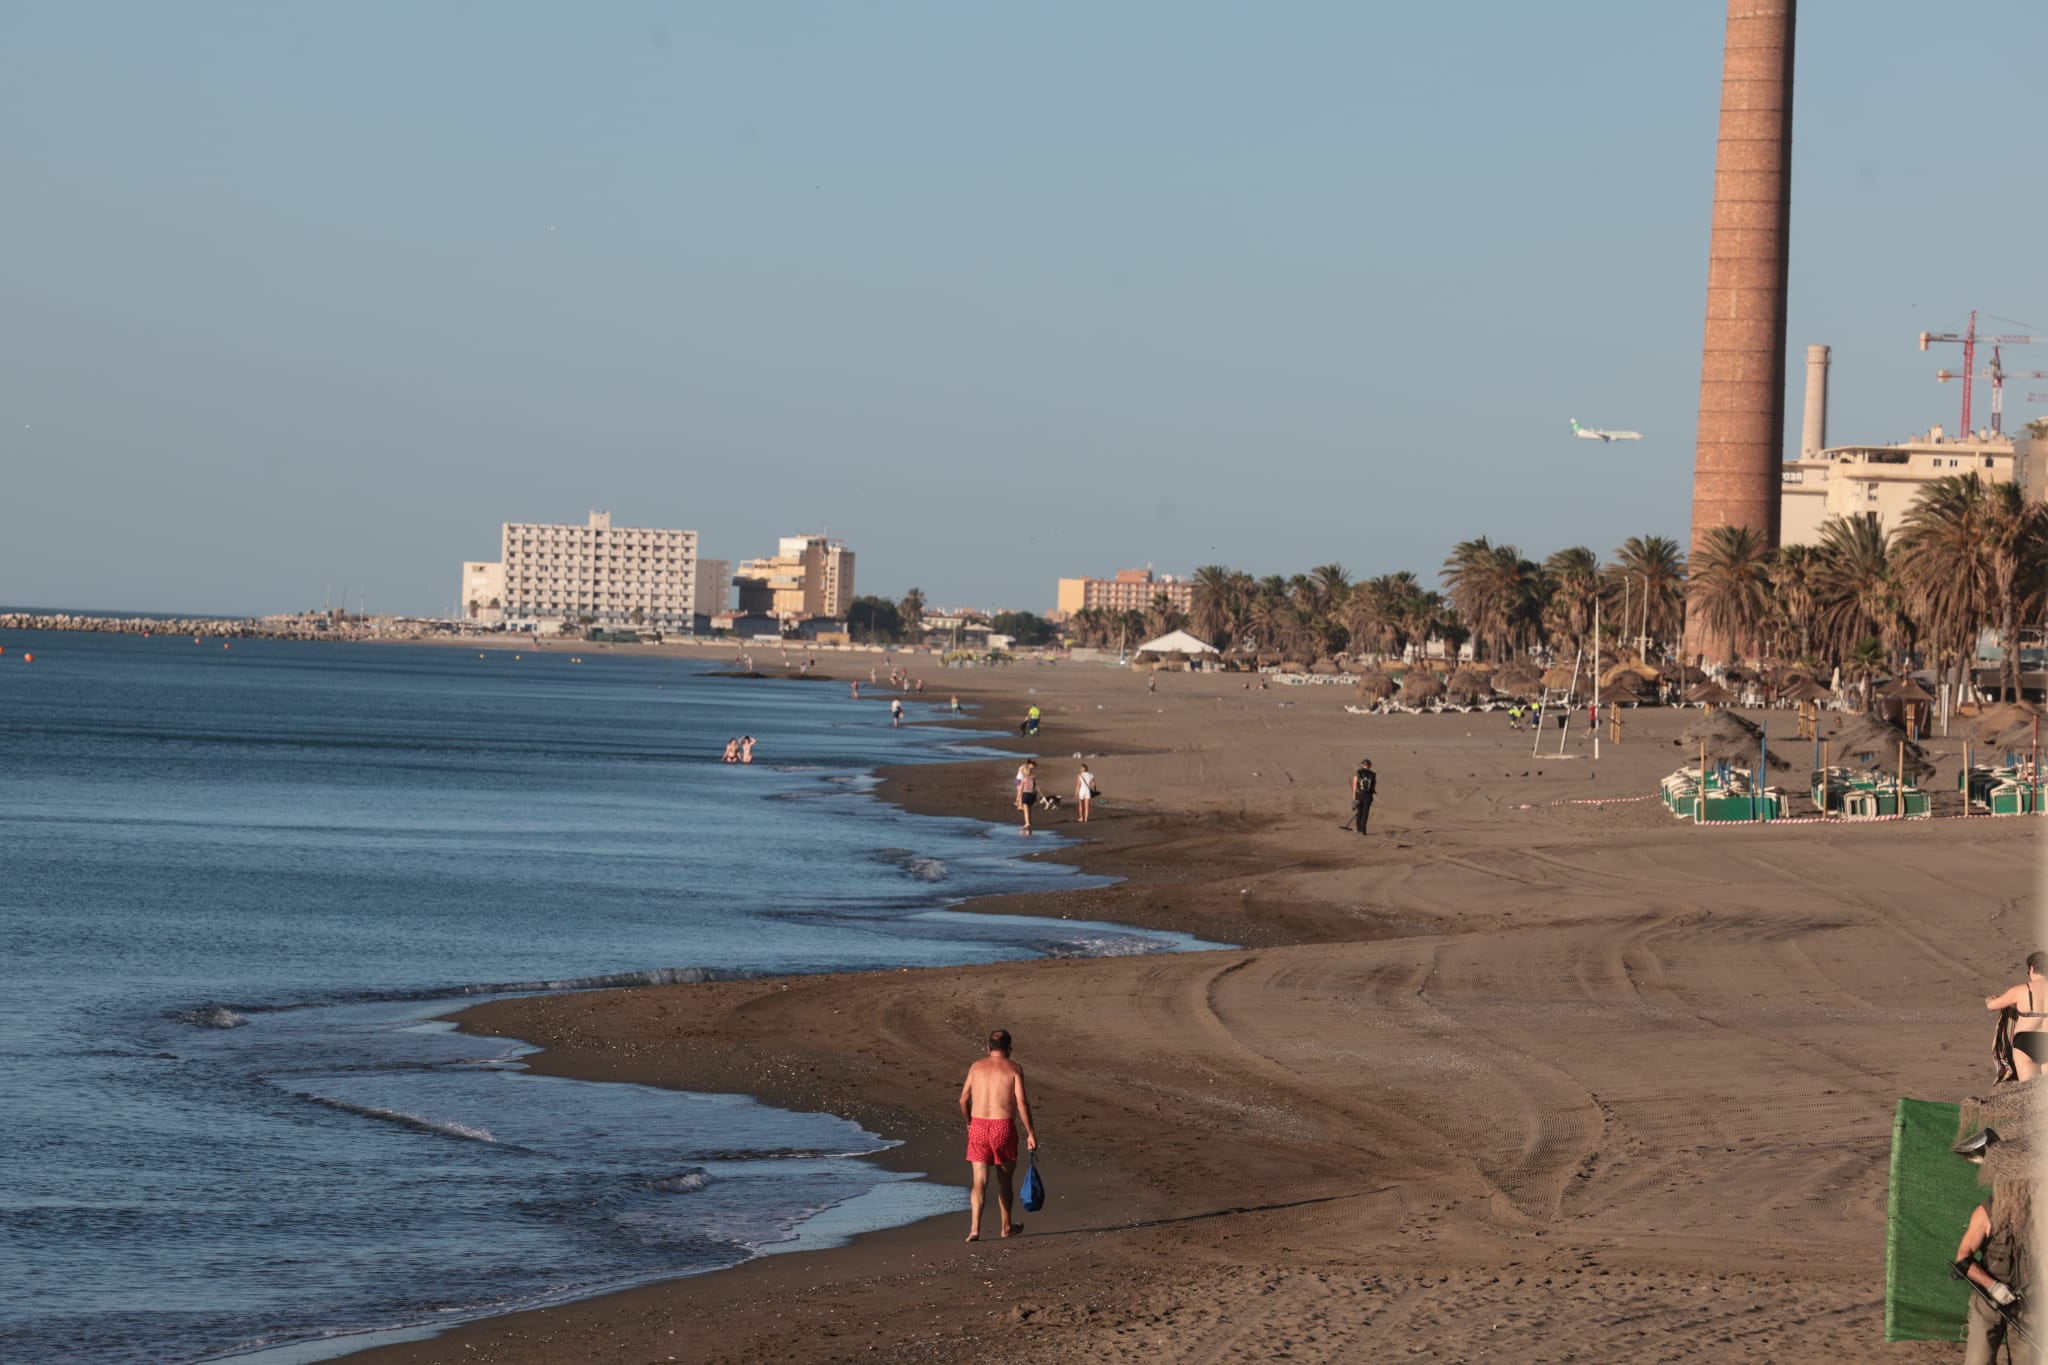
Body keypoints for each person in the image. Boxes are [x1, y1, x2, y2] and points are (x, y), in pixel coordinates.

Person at [958, 1028, 1037, 1242]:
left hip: (979, 1127)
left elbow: (963, 1100)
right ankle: (1006, 1227)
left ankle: (975, 1229)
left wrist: (969, 1123)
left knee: (979, 1181)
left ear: (988, 1048)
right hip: (1003, 1127)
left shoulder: (976, 1067)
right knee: (1005, 1181)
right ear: (1009, 1049)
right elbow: (1021, 1102)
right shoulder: (1013, 1068)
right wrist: (1030, 1132)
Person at [1952, 1195, 2031, 1365]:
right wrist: (1993, 1286)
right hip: (1988, 1301)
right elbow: (1963, 1258)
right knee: (1979, 1360)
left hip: (2028, 1304)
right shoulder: (1986, 1212)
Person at [1986, 951, 2048, 1082]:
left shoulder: (2022, 990)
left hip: (2025, 1040)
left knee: (2028, 1090)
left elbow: (1992, 1006)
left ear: (2032, 968)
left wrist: (1991, 999)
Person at [1349, 758, 1377, 835]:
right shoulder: (1373, 774)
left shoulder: (1358, 772)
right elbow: (1373, 787)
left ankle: (1359, 829)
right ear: (1370, 766)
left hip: (1359, 795)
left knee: (1359, 812)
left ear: (1362, 765)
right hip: (1368, 796)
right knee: (1365, 813)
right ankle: (1363, 830)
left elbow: (1354, 786)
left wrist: (1354, 799)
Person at [1015, 759, 1038, 835]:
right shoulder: (1031, 776)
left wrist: (1018, 798)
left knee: (1026, 809)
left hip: (1025, 792)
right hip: (1030, 792)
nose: (1033, 768)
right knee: (1029, 808)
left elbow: (1021, 790)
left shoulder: (1025, 777)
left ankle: (1027, 822)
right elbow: (1035, 788)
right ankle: (1029, 820)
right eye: (1032, 767)